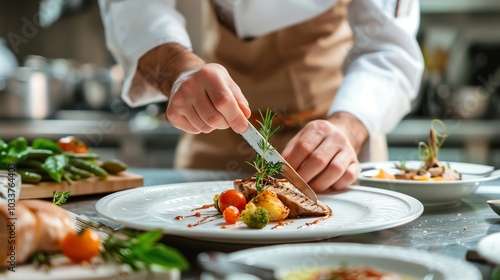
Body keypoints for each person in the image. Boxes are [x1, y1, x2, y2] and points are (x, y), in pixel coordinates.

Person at [98, 0, 423, 193]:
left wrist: (349, 126)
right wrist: (176, 68)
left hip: (333, 151)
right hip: (214, 135)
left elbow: (389, 49)